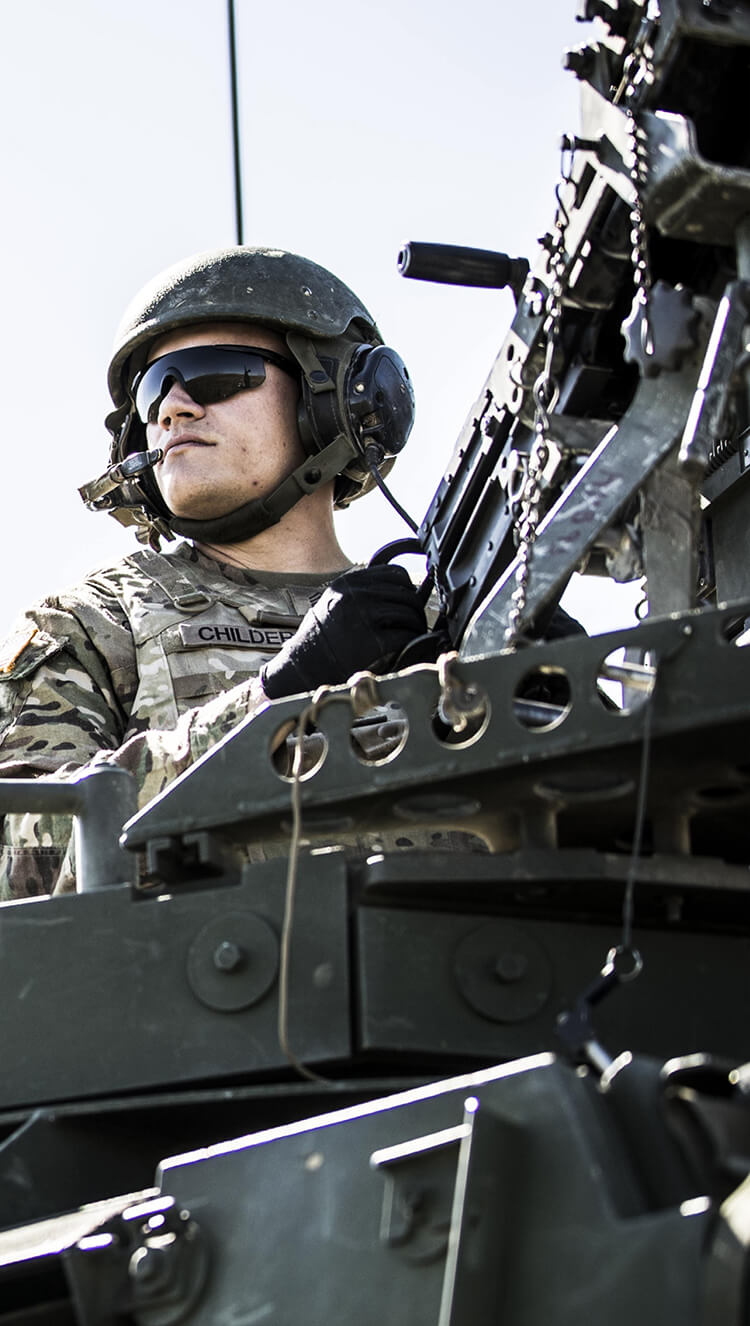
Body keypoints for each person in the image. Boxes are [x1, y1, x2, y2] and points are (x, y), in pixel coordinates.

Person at [0, 246, 431, 900]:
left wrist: (558, 685)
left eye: (213, 376)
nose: (171, 410)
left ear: (337, 399)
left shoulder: (440, 624)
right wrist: (271, 707)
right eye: (154, 390)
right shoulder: (93, 625)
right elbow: (19, 872)